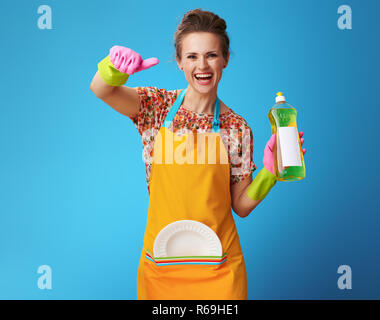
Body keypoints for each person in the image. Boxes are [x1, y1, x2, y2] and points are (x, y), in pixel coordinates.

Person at [90, 8, 306, 300]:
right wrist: (113, 69)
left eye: (211, 55)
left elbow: (240, 206)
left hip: (220, 271)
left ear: (225, 59)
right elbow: (102, 90)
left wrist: (271, 172)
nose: (201, 65)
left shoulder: (236, 127)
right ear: (179, 62)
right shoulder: (156, 107)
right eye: (192, 56)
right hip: (162, 267)